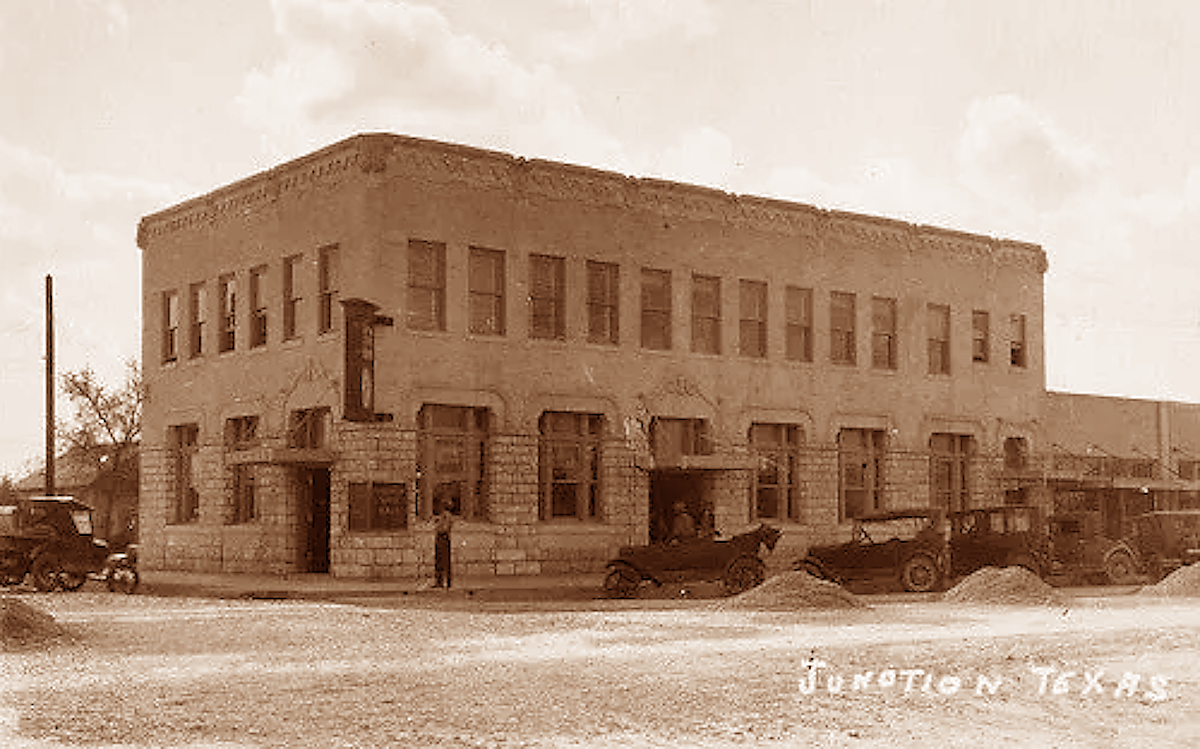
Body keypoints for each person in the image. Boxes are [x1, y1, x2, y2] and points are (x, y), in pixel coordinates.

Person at [433, 493, 456, 589]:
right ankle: (440, 581)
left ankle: (445, 582)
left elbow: (444, 529)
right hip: (441, 538)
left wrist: (438, 526)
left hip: (443, 538)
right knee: (439, 560)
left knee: (444, 561)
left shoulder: (446, 516)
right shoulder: (443, 516)